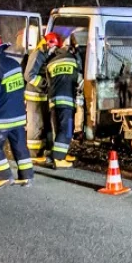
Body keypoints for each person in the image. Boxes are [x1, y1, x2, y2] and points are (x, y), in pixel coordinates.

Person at [0, 34, 33, 187]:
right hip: (19, 116)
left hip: (1, 119)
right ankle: (27, 176)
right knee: (20, 146)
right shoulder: (14, 64)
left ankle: (3, 177)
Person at [45, 33, 82, 169]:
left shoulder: (51, 62)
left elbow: (48, 82)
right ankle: (58, 158)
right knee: (66, 130)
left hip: (53, 100)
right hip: (66, 100)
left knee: (58, 129)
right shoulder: (72, 59)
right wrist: (77, 49)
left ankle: (58, 154)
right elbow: (80, 72)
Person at [24, 34, 59, 163]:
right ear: (49, 43)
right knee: (36, 124)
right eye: (54, 46)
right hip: (34, 95)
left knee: (44, 124)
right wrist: (45, 83)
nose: (54, 50)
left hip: (42, 95)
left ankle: (43, 150)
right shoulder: (38, 54)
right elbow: (29, 75)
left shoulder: (45, 54)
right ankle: (34, 154)